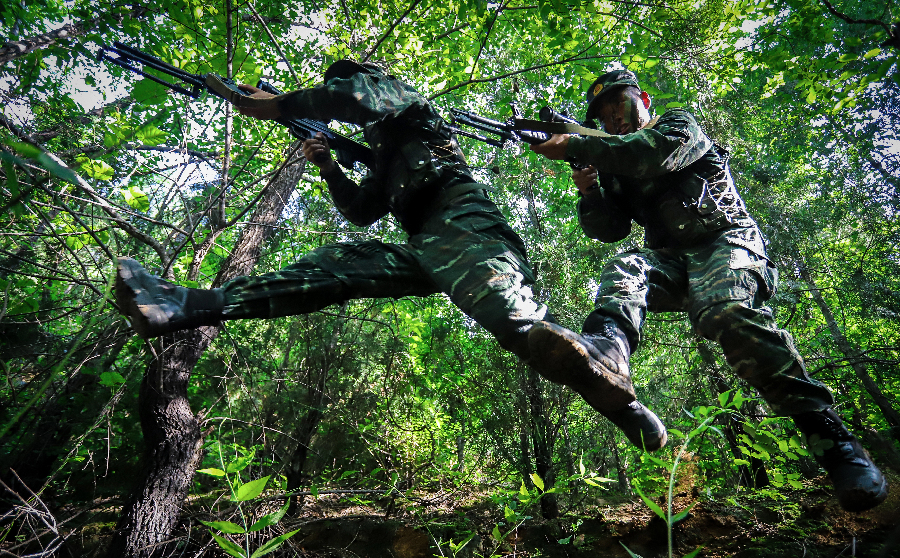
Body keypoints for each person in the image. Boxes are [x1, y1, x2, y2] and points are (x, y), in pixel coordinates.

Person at [114, 60, 667, 451]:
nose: (347, 90)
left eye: (351, 80)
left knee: (513, 320)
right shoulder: (385, 154)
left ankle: (619, 397)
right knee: (332, 268)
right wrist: (329, 165)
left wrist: (274, 103)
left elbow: (351, 97)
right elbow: (361, 211)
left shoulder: (409, 107)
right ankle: (184, 304)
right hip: (423, 243)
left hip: (469, 227)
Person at [527, 69, 888, 512]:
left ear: (641, 98)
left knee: (724, 312)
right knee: (626, 265)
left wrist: (578, 142)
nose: (612, 119)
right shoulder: (614, 165)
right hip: (673, 260)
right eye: (601, 118)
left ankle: (836, 445)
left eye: (617, 106)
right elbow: (610, 228)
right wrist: (589, 190)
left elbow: (650, 156)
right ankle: (608, 351)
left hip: (727, 243)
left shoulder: (678, 125)